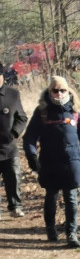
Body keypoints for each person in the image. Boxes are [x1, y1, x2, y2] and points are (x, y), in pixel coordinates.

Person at [23, 75, 80, 248]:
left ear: (68, 91)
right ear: (49, 91)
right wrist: (32, 156)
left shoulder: (75, 111)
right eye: (55, 90)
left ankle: (71, 233)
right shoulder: (42, 112)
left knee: (71, 198)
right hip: (49, 162)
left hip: (72, 162)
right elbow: (29, 137)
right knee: (51, 196)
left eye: (62, 90)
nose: (58, 94)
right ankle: (51, 229)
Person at [0, 62, 28, 219]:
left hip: (9, 146)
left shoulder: (13, 95)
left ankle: (15, 206)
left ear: (2, 77)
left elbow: (22, 117)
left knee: (13, 177)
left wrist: (15, 133)